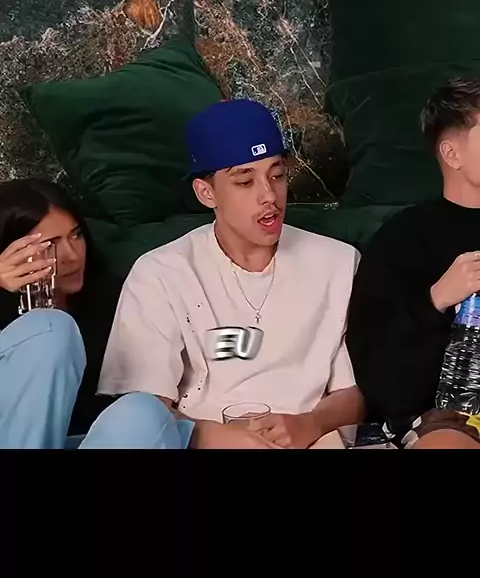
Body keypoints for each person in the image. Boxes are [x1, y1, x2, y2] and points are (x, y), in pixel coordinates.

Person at [95, 98, 365, 449]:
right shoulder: (160, 274)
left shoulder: (338, 263)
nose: (269, 196)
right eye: (245, 182)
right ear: (206, 193)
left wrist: (310, 424)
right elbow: (141, 414)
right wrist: (217, 437)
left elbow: (354, 394)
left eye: (277, 175)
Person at [346, 75, 480, 444]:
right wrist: (437, 298)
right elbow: (380, 379)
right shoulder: (401, 240)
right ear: (452, 154)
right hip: (449, 418)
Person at [0, 178, 122, 447]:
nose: (72, 255)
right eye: (50, 245)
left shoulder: (111, 294)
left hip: (86, 437)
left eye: (76, 235)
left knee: (144, 412)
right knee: (51, 328)